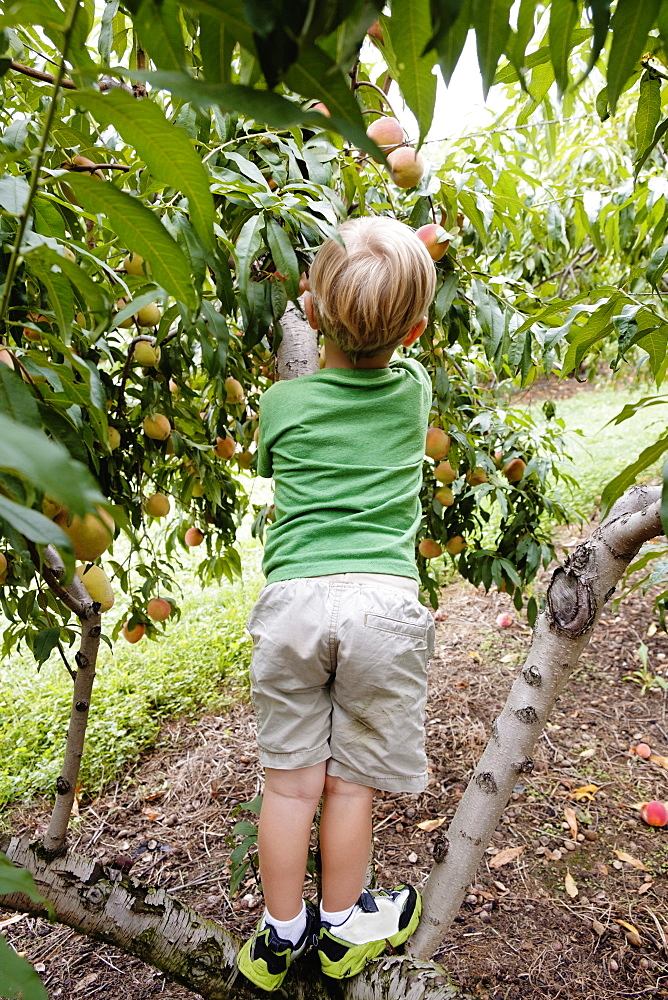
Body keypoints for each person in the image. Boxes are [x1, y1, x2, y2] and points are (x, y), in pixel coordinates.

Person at [237, 215, 437, 991]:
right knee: (350, 782)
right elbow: (384, 341)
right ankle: (346, 922)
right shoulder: (413, 391)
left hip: (291, 602)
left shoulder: (283, 404)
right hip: (381, 604)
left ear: (311, 311)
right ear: (414, 331)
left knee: (290, 783)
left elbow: (273, 457)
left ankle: (281, 931)